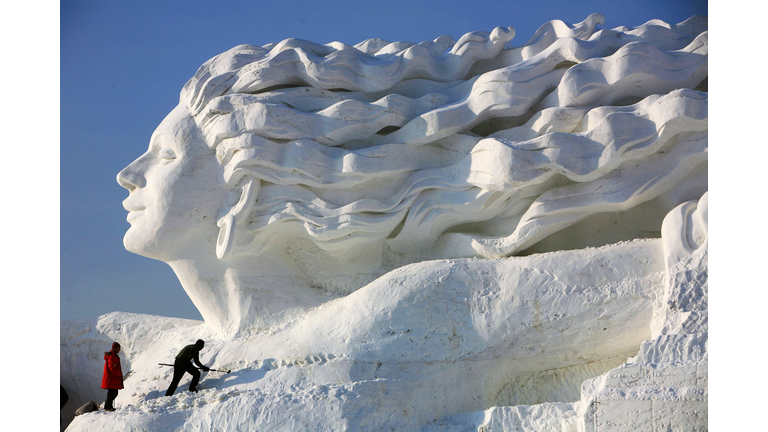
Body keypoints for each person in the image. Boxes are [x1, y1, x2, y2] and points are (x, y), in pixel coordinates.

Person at [101, 342, 123, 411]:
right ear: (115, 348)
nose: (119, 350)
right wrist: (119, 374)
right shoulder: (112, 356)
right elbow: (112, 368)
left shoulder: (113, 355)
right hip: (111, 378)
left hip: (111, 378)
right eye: (118, 348)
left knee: (112, 393)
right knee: (113, 393)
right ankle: (108, 407)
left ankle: (107, 406)